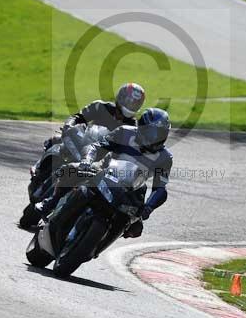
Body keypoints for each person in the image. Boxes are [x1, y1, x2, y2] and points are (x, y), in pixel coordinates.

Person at [28, 108, 172, 237]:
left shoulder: (165, 158)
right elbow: (97, 146)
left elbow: (160, 188)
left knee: (136, 229)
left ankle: (106, 236)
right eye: (150, 132)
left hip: (133, 188)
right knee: (69, 170)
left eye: (158, 134)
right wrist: (87, 160)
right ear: (141, 127)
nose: (153, 138)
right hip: (106, 170)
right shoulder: (125, 133)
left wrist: (149, 207)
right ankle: (51, 203)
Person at [42, 82, 146, 150]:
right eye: (129, 101)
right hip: (82, 140)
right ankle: (39, 170)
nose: (130, 105)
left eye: (135, 104)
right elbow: (79, 117)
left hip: (101, 156)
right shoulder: (100, 106)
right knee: (56, 139)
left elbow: (131, 148)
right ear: (121, 97)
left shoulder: (133, 126)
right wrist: (69, 125)